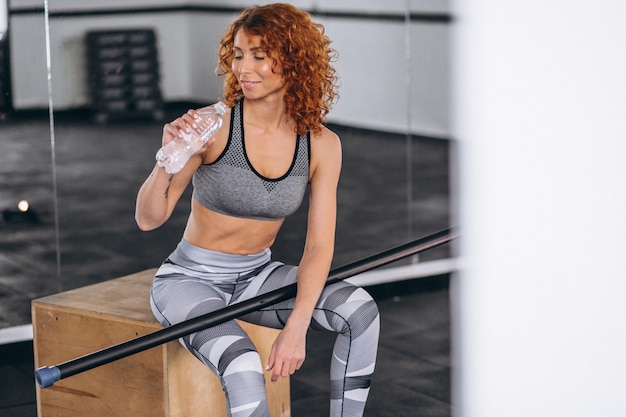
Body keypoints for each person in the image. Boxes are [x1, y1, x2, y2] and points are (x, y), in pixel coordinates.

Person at [135, 3, 380, 417]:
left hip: (256, 278)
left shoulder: (320, 145)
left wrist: (298, 325)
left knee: (360, 311)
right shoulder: (213, 127)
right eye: (238, 53)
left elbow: (319, 248)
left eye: (259, 56)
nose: (242, 67)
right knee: (243, 361)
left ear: (294, 61)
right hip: (190, 280)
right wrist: (167, 158)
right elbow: (148, 218)